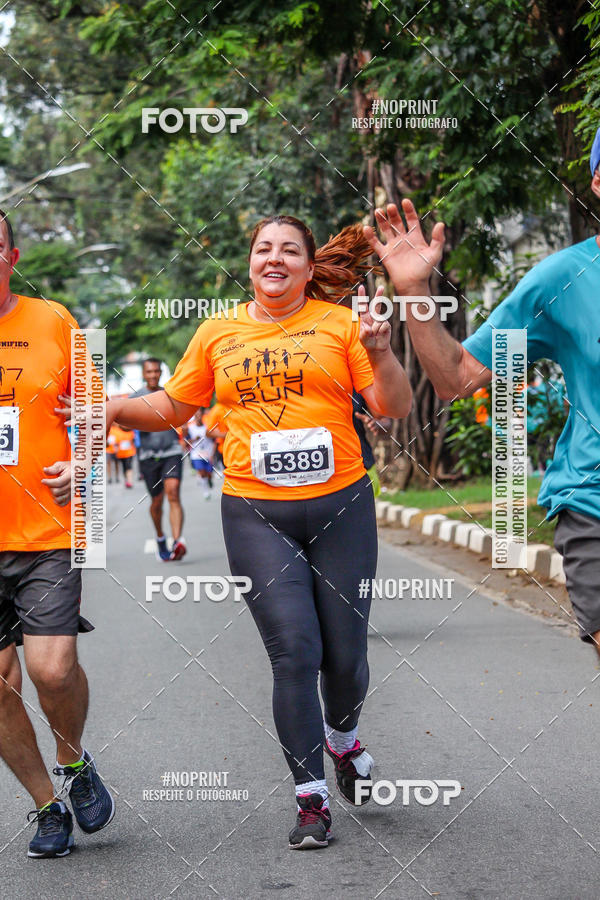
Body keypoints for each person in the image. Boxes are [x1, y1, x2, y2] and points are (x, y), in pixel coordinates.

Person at [106, 215, 410, 849]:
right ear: (249, 263)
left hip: (340, 508)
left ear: (307, 266)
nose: (275, 259)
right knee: (294, 653)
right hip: (255, 512)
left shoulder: (341, 325)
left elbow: (394, 406)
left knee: (346, 661)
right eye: (264, 249)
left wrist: (381, 353)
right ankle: (311, 799)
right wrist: (105, 405)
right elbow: (173, 408)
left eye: (289, 250)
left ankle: (343, 741)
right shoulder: (218, 331)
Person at [363, 127, 600, 653]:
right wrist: (414, 290)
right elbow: (458, 376)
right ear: (599, 180)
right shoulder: (561, 280)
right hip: (594, 501)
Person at [0, 210, 114, 859]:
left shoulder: (54, 320)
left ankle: (73, 760)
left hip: (45, 529)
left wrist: (84, 458)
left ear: (11, 254)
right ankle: (46, 806)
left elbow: (96, 413)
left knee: (52, 667)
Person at [129, 359, 186, 561]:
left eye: (156, 371)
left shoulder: (169, 394)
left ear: (161, 372)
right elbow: (124, 425)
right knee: (157, 501)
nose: (153, 375)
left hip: (171, 451)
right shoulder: (135, 397)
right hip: (148, 455)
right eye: (149, 371)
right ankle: (161, 537)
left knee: (172, 492)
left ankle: (177, 542)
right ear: (144, 374)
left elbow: (184, 415)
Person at [182, 408, 215, 499]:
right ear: (194, 417)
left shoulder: (207, 427)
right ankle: (206, 492)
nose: (198, 417)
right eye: (196, 415)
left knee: (208, 474)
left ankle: (208, 480)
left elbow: (214, 441)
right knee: (202, 472)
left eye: (200, 415)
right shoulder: (191, 428)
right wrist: (194, 440)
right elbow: (185, 442)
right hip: (196, 454)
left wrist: (212, 454)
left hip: (207, 454)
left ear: (202, 416)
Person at [111, 423, 136, 488]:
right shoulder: (117, 431)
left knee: (129, 466)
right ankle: (126, 480)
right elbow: (115, 442)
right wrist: (115, 449)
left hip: (129, 452)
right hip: (121, 453)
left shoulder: (131, 431)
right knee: (124, 467)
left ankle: (129, 481)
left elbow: (133, 441)